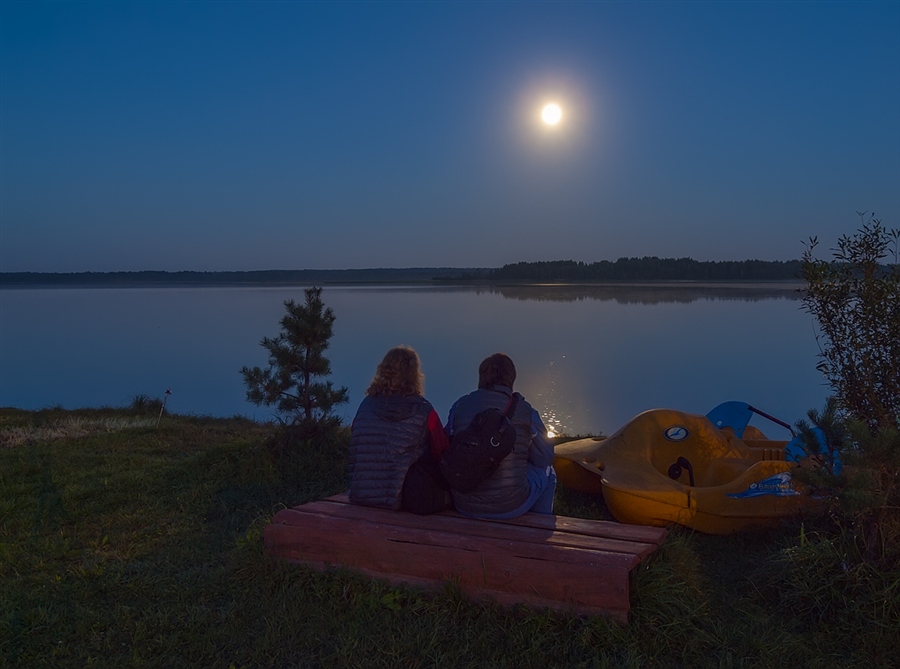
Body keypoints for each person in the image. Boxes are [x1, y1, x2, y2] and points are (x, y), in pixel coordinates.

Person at [445, 353, 556, 519]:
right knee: (548, 471)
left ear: (481, 378)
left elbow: (446, 445)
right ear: (511, 380)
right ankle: (541, 525)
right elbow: (544, 458)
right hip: (511, 505)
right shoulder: (525, 411)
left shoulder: (459, 406)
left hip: (464, 503)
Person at [348, 345, 450, 512]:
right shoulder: (424, 410)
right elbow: (442, 450)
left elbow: (355, 436)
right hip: (403, 498)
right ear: (414, 374)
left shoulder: (366, 405)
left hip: (360, 495)